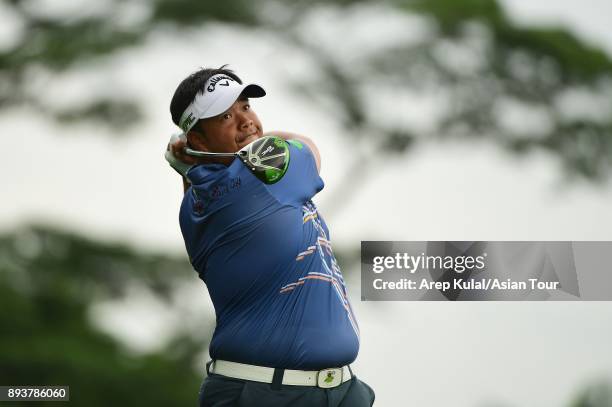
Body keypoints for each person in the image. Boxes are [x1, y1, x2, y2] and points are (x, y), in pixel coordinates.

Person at [164, 65, 375, 407]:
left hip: (335, 391)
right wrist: (189, 161)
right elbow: (307, 146)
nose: (245, 120)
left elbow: (203, 180)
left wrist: (186, 162)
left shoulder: (193, 205)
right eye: (224, 116)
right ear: (198, 140)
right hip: (269, 394)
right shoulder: (265, 177)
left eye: (245, 107)